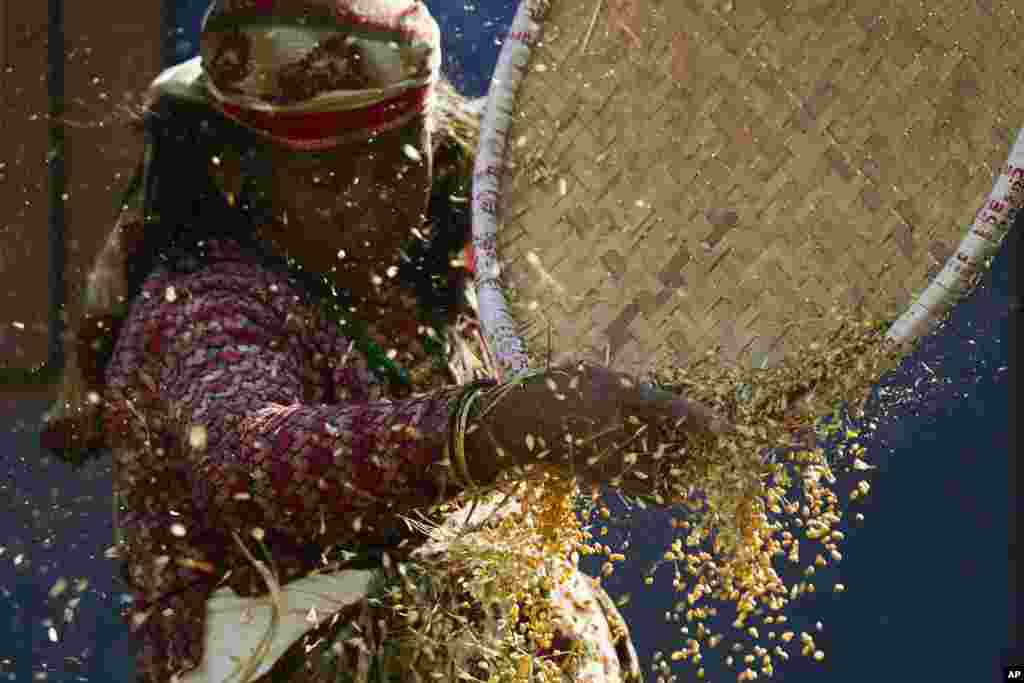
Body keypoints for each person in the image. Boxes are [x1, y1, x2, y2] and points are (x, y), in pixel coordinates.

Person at [41, 1, 732, 681]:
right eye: (328, 179)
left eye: (402, 162)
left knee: (554, 613)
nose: (371, 201)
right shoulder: (202, 301)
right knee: (459, 618)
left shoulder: (436, 272)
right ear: (239, 172)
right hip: (267, 657)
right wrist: (499, 427)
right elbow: (249, 459)